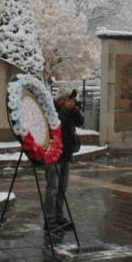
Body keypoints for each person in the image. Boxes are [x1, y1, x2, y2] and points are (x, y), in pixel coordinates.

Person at [46, 88, 84, 230]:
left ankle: (59, 217)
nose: (70, 102)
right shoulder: (51, 109)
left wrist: (74, 110)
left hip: (66, 154)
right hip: (53, 154)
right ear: (61, 100)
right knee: (52, 189)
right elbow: (57, 123)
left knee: (63, 187)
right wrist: (67, 110)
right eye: (68, 99)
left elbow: (80, 122)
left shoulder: (68, 109)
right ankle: (49, 220)